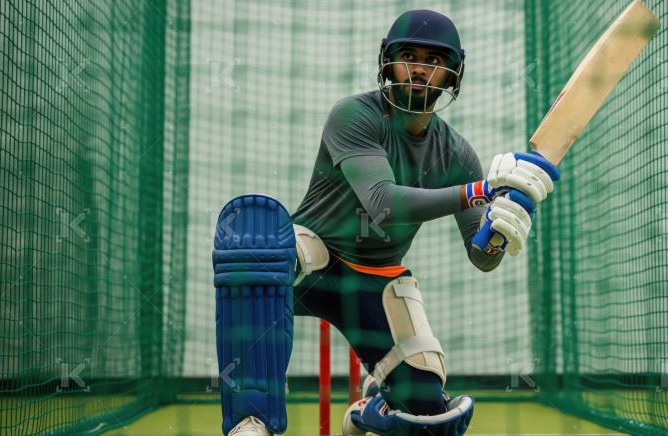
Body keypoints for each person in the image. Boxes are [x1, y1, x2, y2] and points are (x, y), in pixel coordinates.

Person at [213, 9, 560, 436]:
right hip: (312, 261)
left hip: (375, 281)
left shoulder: (457, 153)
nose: (419, 68)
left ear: (452, 75)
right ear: (387, 64)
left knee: (431, 421)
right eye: (408, 55)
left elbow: (481, 257)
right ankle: (252, 420)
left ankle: (369, 410)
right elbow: (382, 203)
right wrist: (480, 191)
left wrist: (500, 230)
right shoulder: (355, 115)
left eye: (433, 61)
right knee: (260, 240)